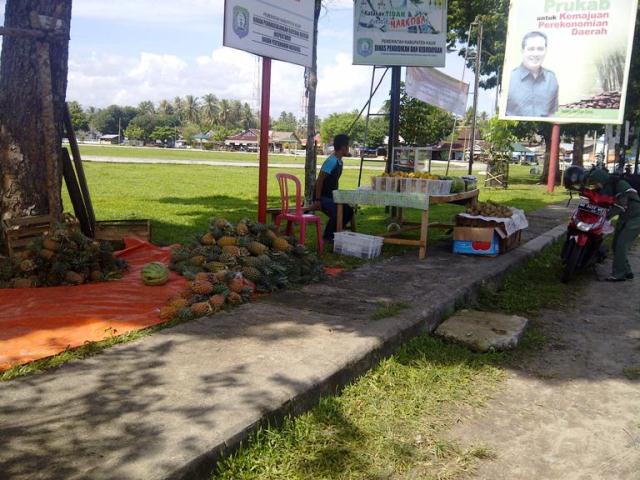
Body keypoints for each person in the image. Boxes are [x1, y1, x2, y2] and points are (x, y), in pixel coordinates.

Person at [585, 169, 640, 281]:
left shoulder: (620, 185)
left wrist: (606, 217)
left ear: (601, 179)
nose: (595, 185)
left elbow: (621, 205)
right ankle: (627, 271)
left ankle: (619, 274)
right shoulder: (607, 186)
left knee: (621, 244)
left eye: (596, 182)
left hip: (636, 217)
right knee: (615, 245)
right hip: (625, 217)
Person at [312, 134, 353, 244]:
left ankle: (337, 233)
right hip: (322, 196)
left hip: (331, 196)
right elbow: (320, 180)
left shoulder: (339, 161)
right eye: (348, 146)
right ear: (343, 147)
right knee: (337, 211)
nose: (348, 149)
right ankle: (327, 237)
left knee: (348, 210)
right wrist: (317, 199)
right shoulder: (332, 161)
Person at [506, 31, 559, 117]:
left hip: (544, 130)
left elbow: (553, 114)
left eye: (540, 49)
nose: (535, 54)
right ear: (522, 51)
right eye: (531, 49)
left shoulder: (551, 78)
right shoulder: (509, 79)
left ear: (546, 51)